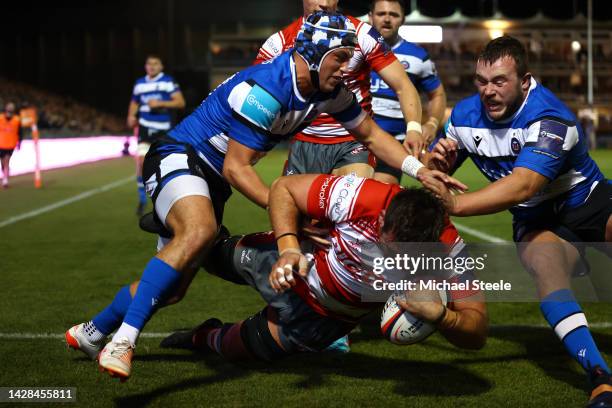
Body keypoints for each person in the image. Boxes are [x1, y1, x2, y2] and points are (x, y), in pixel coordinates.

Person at [65, 11, 464, 381]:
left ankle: (92, 330)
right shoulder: (267, 88)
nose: (349, 67)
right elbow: (236, 168)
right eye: (340, 58)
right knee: (200, 230)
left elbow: (372, 135)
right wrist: (291, 218)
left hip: (211, 177)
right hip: (182, 155)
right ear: (311, 55)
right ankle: (124, 341)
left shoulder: (330, 89)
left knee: (171, 290)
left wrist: (418, 169)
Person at [423, 36, 612, 408]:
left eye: (499, 82)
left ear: (525, 81)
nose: (488, 92)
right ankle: (600, 377)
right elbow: (437, 170)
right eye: (481, 81)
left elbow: (524, 184)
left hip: (587, 200)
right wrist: (437, 164)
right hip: (537, 219)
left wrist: (456, 205)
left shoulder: (550, 117)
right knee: (544, 266)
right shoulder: (463, 117)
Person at [160, 173, 488, 362]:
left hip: (326, 316)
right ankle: (181, 225)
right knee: (211, 255)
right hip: (297, 260)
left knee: (241, 348)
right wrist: (288, 247)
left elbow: (476, 333)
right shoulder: (366, 197)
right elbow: (283, 188)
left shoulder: (449, 250)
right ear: (383, 218)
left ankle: (200, 336)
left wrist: (442, 316)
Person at [255, 0, 425, 178]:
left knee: (353, 200)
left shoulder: (364, 34)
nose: (325, 3)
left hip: (353, 141)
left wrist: (414, 128)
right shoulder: (278, 43)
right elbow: (257, 94)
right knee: (286, 203)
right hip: (303, 142)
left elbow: (403, 86)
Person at [369, 0, 447, 185]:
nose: (387, 19)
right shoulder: (355, 50)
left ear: (403, 19)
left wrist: (432, 124)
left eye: (394, 15)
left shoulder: (418, 56)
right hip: (354, 141)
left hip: (394, 146)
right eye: (381, 14)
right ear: (371, 17)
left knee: (380, 200)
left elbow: (437, 94)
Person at [127, 55, 186, 216]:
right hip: (145, 127)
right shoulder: (140, 83)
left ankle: (163, 197)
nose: (151, 66)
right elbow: (134, 102)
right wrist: (131, 116)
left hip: (163, 129)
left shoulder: (168, 81)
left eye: (155, 64)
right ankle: (142, 199)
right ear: (145, 67)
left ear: (161, 66)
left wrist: (161, 103)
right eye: (149, 64)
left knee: (163, 164)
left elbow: (180, 102)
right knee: (140, 160)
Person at [0, 102, 22, 189]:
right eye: (9, 107)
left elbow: (20, 132)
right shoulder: (0, 118)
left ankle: (5, 180)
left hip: (10, 144)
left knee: (6, 161)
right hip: (0, 144)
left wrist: (19, 143)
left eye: (12, 107)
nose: (10, 108)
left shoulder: (17, 120)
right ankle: (6, 172)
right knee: (3, 163)